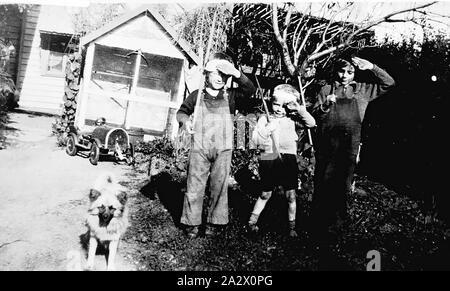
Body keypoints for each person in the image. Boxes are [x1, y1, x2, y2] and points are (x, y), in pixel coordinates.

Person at [311, 57, 395, 249]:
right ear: (336, 72)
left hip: (349, 144)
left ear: (355, 73)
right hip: (327, 143)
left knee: (342, 183)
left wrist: (372, 66)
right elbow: (316, 115)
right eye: (342, 72)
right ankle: (317, 226)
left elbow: (389, 82)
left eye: (350, 72)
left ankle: (337, 228)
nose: (345, 76)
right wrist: (325, 105)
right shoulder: (326, 90)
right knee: (322, 181)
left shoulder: (363, 90)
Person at [177, 52, 256, 238]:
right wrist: (185, 121)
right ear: (207, 75)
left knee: (219, 185)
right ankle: (192, 224)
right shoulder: (197, 96)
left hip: (223, 148)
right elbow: (181, 112)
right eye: (216, 74)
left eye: (224, 75)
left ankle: (214, 222)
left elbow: (251, 89)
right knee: (194, 184)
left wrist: (236, 72)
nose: (221, 78)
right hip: (200, 146)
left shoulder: (231, 96)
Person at [248, 84, 316, 237]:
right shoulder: (265, 118)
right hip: (269, 157)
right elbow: (256, 140)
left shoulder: (293, 119)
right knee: (266, 193)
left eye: (284, 106)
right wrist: (267, 129)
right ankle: (252, 222)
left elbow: (311, 123)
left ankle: (292, 227)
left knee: (290, 195)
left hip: (288, 159)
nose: (279, 109)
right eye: (276, 104)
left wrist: (299, 109)